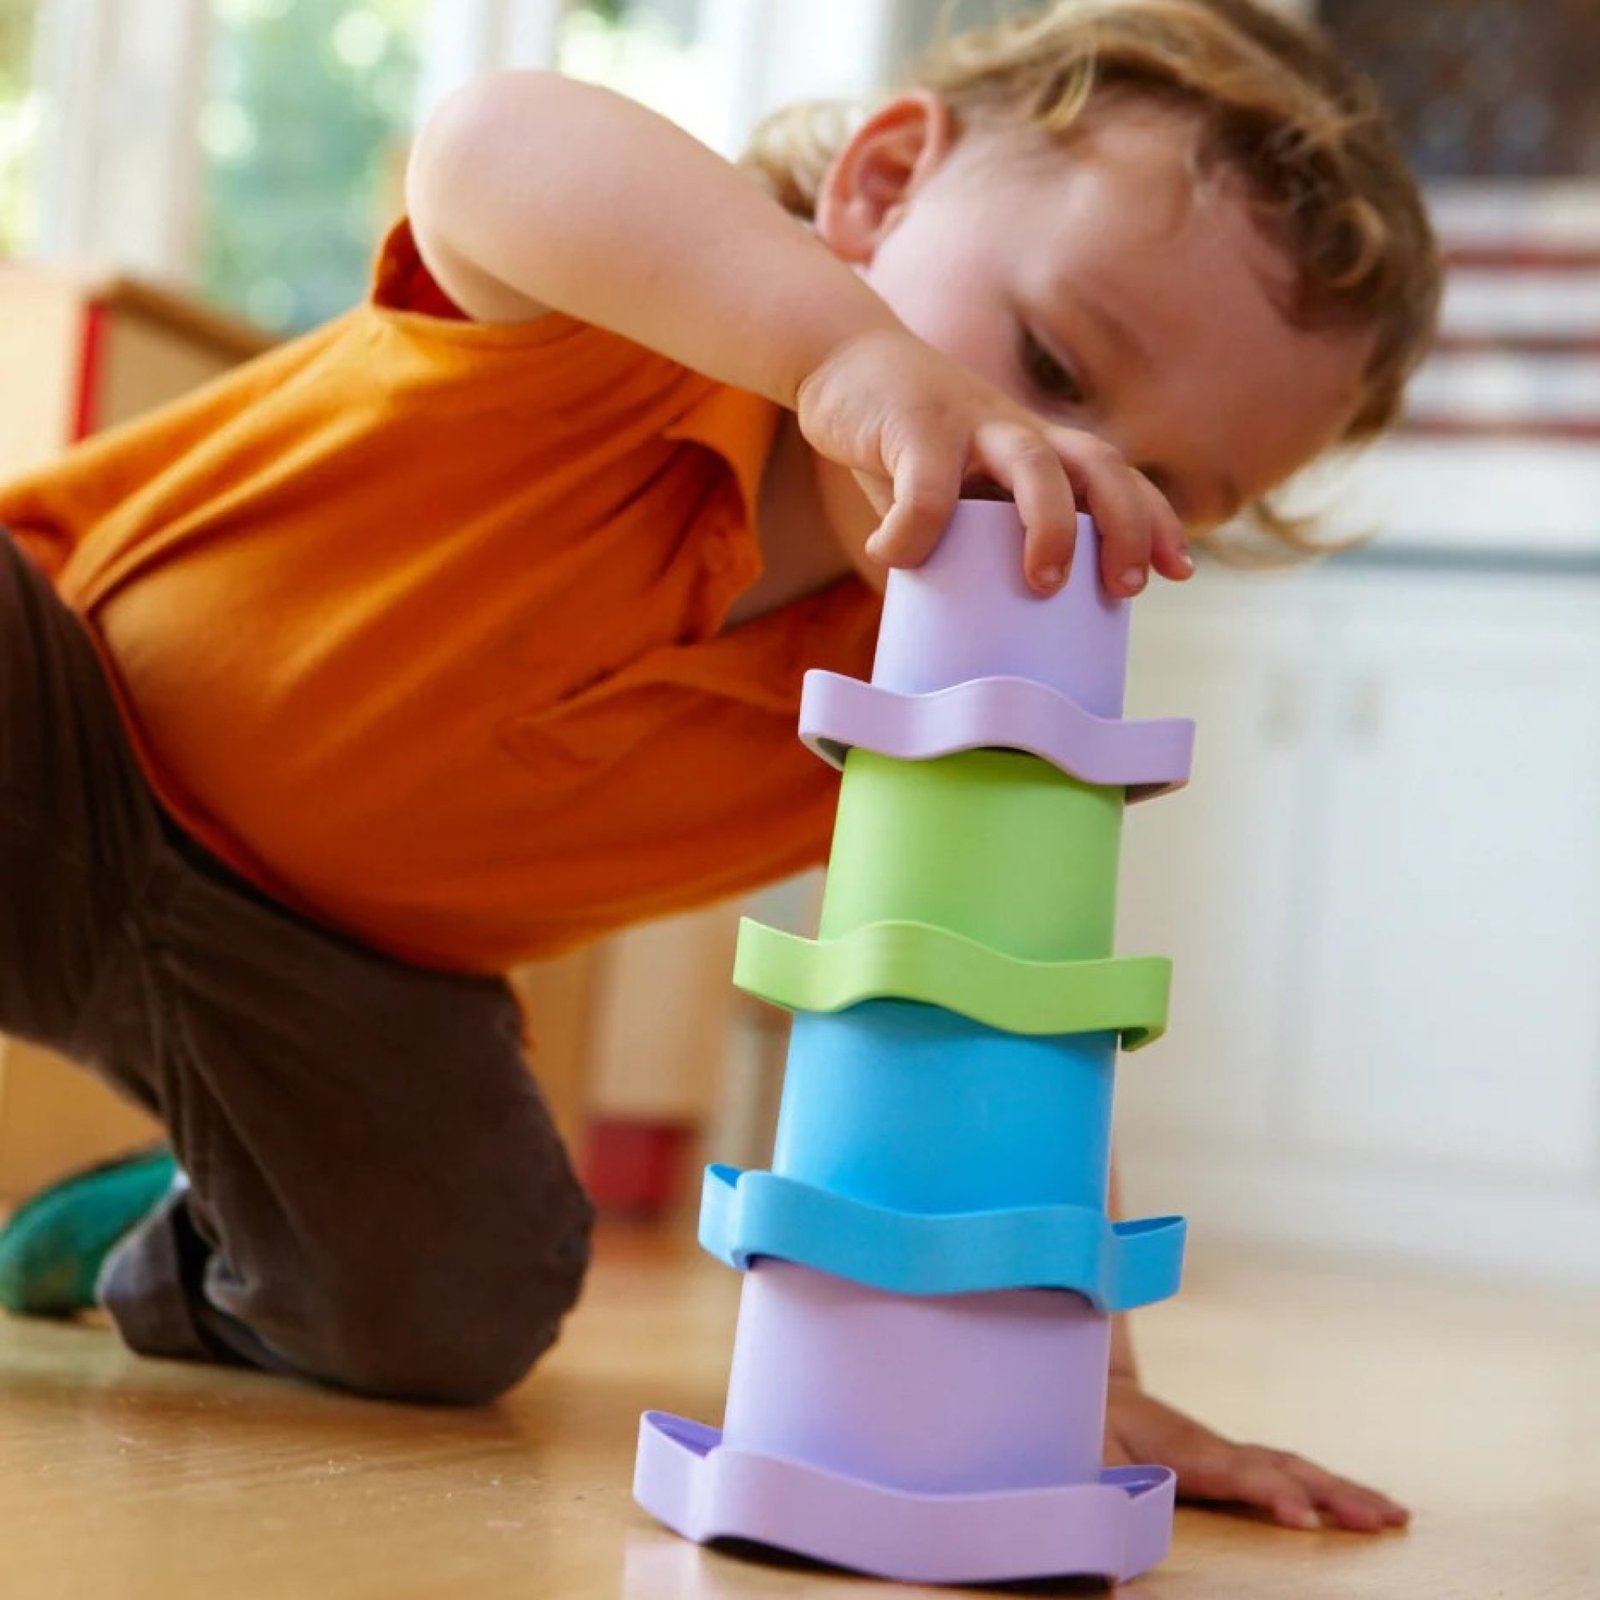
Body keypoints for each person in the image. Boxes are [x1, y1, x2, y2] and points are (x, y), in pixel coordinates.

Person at [0, 0, 1435, 1536]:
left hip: (340, 981)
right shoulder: (631, 322)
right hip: (64, 737)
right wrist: (843, 354)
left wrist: (1069, 1373)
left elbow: (1010, 1011)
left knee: (459, 1295)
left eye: (1161, 491)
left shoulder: (942, 696)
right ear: (880, 186)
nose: (1070, 476)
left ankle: (180, 1234)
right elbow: (486, 143)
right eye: (1053, 364)